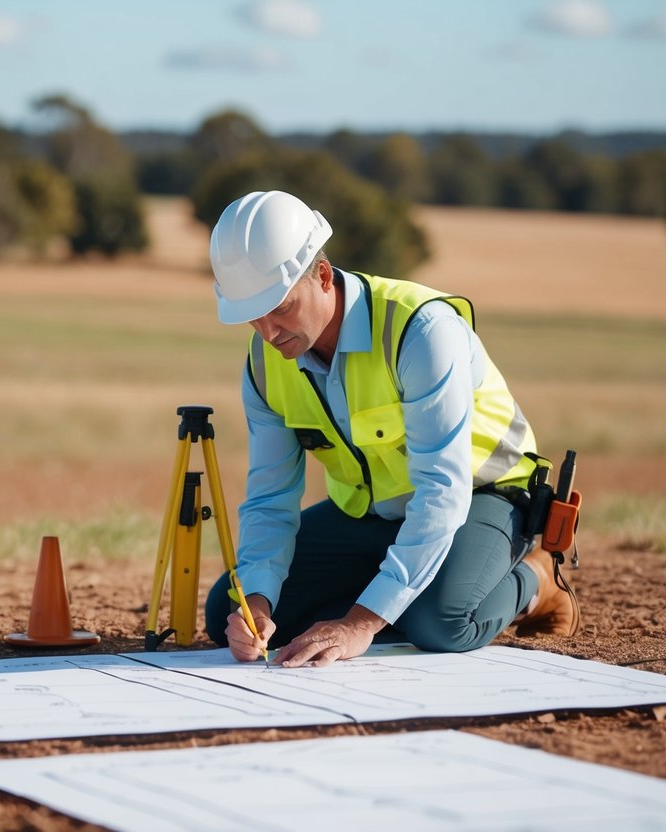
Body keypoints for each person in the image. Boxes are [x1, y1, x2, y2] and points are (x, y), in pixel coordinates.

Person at [203, 190, 579, 668]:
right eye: (252, 318)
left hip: (484, 497)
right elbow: (270, 499)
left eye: (279, 308)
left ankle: (535, 580)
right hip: (370, 515)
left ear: (322, 275)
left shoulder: (420, 332)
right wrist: (257, 602)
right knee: (226, 614)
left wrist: (361, 622)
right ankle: (400, 589)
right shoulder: (263, 364)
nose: (269, 333)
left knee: (440, 623)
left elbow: (442, 490)